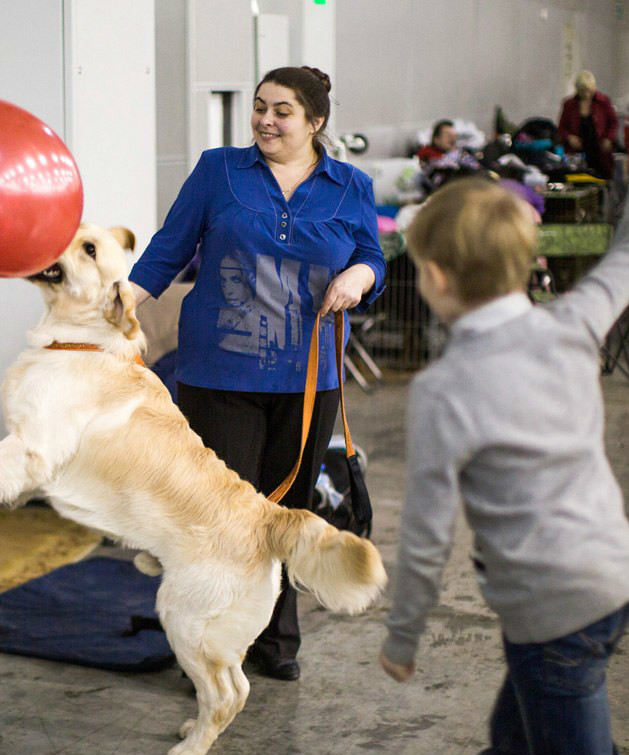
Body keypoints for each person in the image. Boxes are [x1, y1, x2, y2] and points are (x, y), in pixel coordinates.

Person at [378, 64, 629, 753]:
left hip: (552, 614)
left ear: (432, 277)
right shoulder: (573, 321)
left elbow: (426, 535)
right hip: (617, 579)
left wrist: (403, 634)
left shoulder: (443, 389)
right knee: (517, 734)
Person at [128, 65, 386, 681]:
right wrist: (118, 308)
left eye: (282, 111)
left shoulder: (351, 185)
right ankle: (208, 647)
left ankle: (274, 642)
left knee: (288, 515)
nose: (266, 121)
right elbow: (169, 246)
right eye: (260, 107)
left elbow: (371, 254)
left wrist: (359, 276)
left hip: (308, 378)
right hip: (220, 374)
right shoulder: (219, 170)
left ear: (316, 121)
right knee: (220, 522)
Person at [557, 70, 619, 178]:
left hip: (599, 151)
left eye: (589, 91)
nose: (586, 94)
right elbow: (562, 127)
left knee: (602, 177)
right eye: (582, 91)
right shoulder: (569, 104)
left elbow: (613, 122)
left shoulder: (604, 102)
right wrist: (570, 137)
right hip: (577, 152)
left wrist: (609, 139)